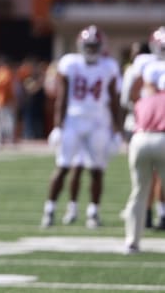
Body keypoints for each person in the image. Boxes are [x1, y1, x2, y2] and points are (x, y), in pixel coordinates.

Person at [41, 25, 122, 229]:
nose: (92, 49)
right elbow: (62, 98)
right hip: (74, 121)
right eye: (89, 45)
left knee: (97, 170)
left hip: (98, 122)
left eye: (95, 46)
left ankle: (93, 213)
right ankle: (49, 209)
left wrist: (117, 131)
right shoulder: (70, 63)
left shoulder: (109, 66)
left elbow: (114, 101)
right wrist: (58, 127)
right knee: (64, 167)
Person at [124, 73, 165, 254]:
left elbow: (132, 121)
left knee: (139, 192)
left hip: (139, 140)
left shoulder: (144, 101)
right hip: (162, 139)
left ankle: (132, 241)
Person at [0, 55, 18, 148]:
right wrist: (12, 100)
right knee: (8, 121)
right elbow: (9, 89)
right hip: (5, 101)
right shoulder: (6, 73)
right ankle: (10, 139)